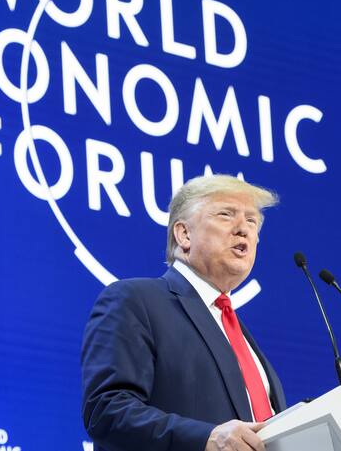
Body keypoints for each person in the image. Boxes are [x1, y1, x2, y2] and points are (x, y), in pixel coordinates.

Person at [81, 175, 286, 451]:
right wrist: (205, 439)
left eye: (252, 221)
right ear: (184, 234)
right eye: (226, 215)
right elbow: (106, 412)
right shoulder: (136, 300)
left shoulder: (241, 337)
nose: (243, 230)